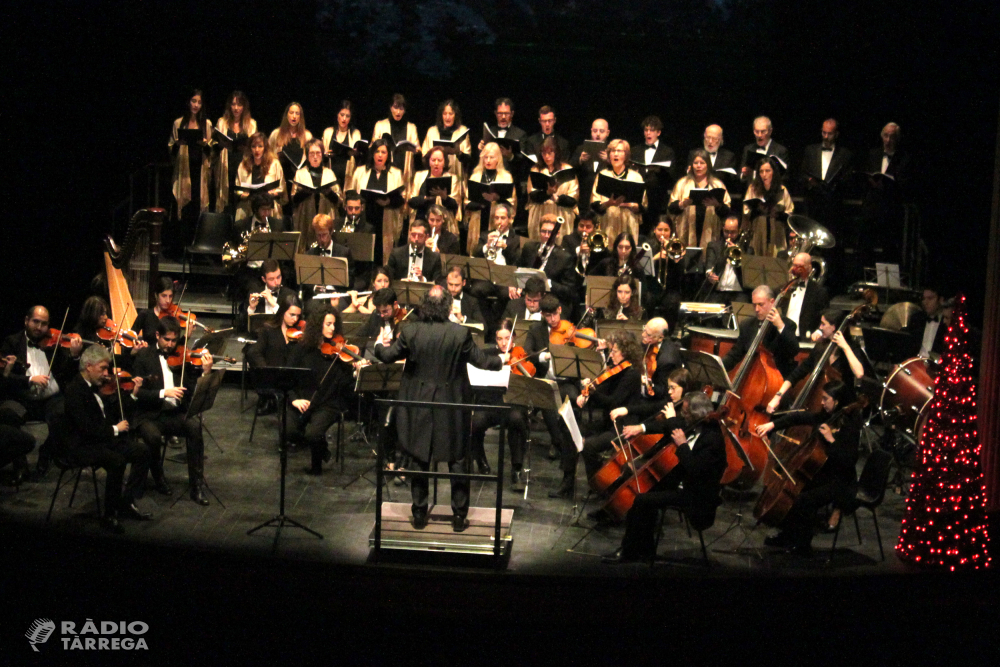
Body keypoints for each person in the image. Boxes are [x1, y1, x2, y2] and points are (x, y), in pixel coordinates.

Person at [373, 285, 506, 531]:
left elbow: (388, 355)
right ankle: (458, 515)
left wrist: (379, 345)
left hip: (418, 403)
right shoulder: (459, 333)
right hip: (451, 403)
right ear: (448, 306)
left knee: (419, 455)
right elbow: (481, 361)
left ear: (424, 305)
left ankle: (420, 513)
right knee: (457, 457)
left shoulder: (410, 331)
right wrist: (501, 360)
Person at [602, 392, 727, 563]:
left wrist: (682, 444)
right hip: (683, 483)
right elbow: (672, 426)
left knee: (642, 500)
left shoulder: (712, 439)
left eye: (686, 412)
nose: (683, 416)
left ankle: (629, 551)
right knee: (644, 490)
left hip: (697, 495)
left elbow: (695, 470)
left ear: (696, 414)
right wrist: (643, 427)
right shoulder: (697, 424)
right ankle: (645, 549)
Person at [757, 380, 861, 556]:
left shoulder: (850, 427)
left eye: (825, 399)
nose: (822, 402)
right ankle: (787, 535)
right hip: (823, 474)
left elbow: (848, 461)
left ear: (837, 401)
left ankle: (803, 544)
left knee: (804, 499)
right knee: (792, 491)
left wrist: (831, 440)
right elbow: (799, 417)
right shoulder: (828, 416)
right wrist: (773, 425)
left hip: (841, 480)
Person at [63, 345, 153, 532]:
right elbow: (87, 429)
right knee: (117, 461)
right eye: (102, 368)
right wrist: (114, 429)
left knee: (142, 451)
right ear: (88, 366)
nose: (107, 373)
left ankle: (126, 502)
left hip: (102, 439)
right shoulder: (75, 390)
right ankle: (109, 514)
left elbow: (111, 413)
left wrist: (133, 395)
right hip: (82, 445)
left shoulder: (97, 387)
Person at [131, 316, 213, 505]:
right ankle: (158, 477)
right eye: (166, 340)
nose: (170, 344)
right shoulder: (144, 356)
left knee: (194, 428)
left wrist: (205, 373)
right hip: (148, 414)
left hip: (173, 413)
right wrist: (163, 392)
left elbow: (191, 389)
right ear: (157, 336)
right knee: (152, 437)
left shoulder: (182, 356)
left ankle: (197, 486)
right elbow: (137, 392)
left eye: (174, 340)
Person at [0, 306, 83, 478]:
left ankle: (47, 454)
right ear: (26, 321)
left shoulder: (54, 344)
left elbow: (66, 374)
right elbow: (5, 378)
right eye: (35, 322)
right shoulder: (12, 342)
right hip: (22, 399)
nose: (39, 327)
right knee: (8, 414)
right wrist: (29, 380)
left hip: (50, 399)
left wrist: (74, 356)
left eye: (44, 324)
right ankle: (19, 464)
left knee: (65, 412)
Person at [286, 305, 355, 475]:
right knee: (289, 432)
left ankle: (316, 464)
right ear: (317, 326)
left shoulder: (338, 353)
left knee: (312, 434)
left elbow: (344, 385)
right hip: (302, 399)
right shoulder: (301, 349)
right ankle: (322, 447)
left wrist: (355, 371)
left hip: (328, 402)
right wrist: (294, 398)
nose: (332, 328)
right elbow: (287, 377)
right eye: (328, 324)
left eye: (334, 324)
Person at [572, 331, 643, 483]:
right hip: (608, 420)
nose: (611, 355)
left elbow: (612, 402)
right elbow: (603, 392)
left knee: (589, 446)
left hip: (622, 426)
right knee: (571, 430)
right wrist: (587, 394)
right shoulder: (617, 369)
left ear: (626, 352)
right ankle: (574, 478)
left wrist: (593, 392)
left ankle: (599, 483)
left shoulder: (632, 374)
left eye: (614, 351)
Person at [767, 309, 866, 414]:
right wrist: (778, 396)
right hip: (818, 407)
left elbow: (859, 373)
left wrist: (845, 347)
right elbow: (797, 374)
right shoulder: (820, 348)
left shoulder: (851, 348)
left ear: (833, 327)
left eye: (823, 324)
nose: (820, 327)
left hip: (843, 409)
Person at [469, 319, 530, 488]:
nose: (504, 343)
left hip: (511, 403)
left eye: (508, 338)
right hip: (489, 403)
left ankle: (517, 467)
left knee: (517, 419)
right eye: (500, 339)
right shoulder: (486, 355)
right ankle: (480, 459)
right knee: (476, 423)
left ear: (514, 337)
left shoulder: (520, 354)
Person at [721, 285, 800, 378]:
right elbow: (735, 354)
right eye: (754, 305)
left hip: (775, 379)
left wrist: (780, 326)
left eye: (761, 304)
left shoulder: (787, 324)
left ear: (772, 302)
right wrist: (719, 367)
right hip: (750, 377)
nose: (757, 309)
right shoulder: (747, 325)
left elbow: (793, 351)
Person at [169, 89, 213, 251]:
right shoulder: (179, 123)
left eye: (199, 102)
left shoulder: (206, 124)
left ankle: (196, 248)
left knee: (197, 209)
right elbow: (171, 149)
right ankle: (181, 249)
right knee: (183, 211)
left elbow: (212, 152)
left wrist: (205, 145)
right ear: (188, 102)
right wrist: (177, 145)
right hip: (184, 173)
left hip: (199, 173)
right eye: (193, 101)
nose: (196, 105)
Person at [349, 137, 406, 264]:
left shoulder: (396, 173)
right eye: (377, 151)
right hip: (366, 216)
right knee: (365, 252)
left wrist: (388, 202)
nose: (380, 155)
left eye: (383, 152)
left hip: (386, 218)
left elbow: (402, 199)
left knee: (383, 253)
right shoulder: (360, 171)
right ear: (372, 153)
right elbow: (352, 193)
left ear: (388, 155)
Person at [861, 122, 911, 262]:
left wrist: (887, 184)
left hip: (890, 209)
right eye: (886, 136)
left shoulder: (904, 158)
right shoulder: (873, 154)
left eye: (892, 137)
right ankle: (866, 277)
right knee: (866, 245)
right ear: (882, 136)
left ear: (897, 139)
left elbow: (904, 183)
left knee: (889, 248)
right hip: (871, 207)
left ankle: (888, 281)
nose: (888, 140)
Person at [517, 214, 580, 319]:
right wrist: (515, 285)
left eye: (550, 232)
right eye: (543, 231)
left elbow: (569, 291)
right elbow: (519, 268)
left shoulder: (565, 257)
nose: (546, 235)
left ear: (557, 234)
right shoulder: (529, 248)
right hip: (529, 295)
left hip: (551, 299)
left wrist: (549, 283)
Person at [668, 149, 732, 251]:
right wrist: (682, 204)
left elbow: (727, 211)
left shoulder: (717, 184)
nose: (699, 166)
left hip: (709, 228)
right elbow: (671, 207)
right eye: (696, 163)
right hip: (687, 229)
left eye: (702, 163)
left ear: (708, 165)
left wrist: (717, 205)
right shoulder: (683, 183)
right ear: (691, 165)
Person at [799, 119, 853, 234]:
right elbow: (802, 174)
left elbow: (847, 179)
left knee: (831, 240)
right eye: (824, 132)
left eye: (830, 133)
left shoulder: (844, 154)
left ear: (837, 134)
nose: (826, 136)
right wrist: (810, 181)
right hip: (813, 203)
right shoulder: (810, 150)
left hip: (833, 205)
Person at [464, 142, 517, 256]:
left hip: (496, 219)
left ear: (498, 159)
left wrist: (497, 198)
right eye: (485, 157)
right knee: (476, 252)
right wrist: (482, 202)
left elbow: (511, 203)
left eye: (491, 157)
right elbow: (467, 202)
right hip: (478, 219)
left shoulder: (506, 177)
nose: (488, 160)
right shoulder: (475, 176)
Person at [591, 139, 646, 241]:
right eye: (613, 151)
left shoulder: (636, 177)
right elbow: (595, 205)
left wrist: (627, 205)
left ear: (626, 155)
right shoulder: (602, 175)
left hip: (628, 224)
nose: (616, 154)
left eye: (620, 151)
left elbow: (643, 206)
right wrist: (609, 203)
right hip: (607, 224)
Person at [291, 139, 341, 250]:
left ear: (322, 155)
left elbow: (338, 200)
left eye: (318, 153)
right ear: (307, 156)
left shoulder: (329, 173)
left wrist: (328, 193)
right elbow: (293, 199)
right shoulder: (300, 174)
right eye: (311, 153)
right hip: (306, 217)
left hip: (325, 213)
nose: (315, 157)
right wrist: (304, 193)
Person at [526, 137, 579, 243]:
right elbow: (532, 194)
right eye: (544, 153)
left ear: (557, 153)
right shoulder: (536, 170)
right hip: (540, 212)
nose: (547, 156)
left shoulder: (567, 169)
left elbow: (573, 198)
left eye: (550, 153)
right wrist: (547, 193)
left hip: (561, 213)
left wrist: (557, 198)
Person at [213, 90, 257, 215]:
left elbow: (256, 148)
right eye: (233, 104)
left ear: (244, 107)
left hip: (243, 167)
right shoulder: (222, 123)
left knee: (241, 207)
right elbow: (214, 147)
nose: (236, 108)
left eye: (239, 105)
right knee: (226, 206)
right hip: (226, 167)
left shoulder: (251, 124)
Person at [743, 156, 794, 257]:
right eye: (761, 171)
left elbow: (789, 212)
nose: (764, 175)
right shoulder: (753, 189)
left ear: (773, 172)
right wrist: (758, 209)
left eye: (767, 171)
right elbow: (746, 211)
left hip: (776, 233)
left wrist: (778, 214)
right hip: (758, 232)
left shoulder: (781, 189)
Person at [634, 116, 677, 232]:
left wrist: (659, 171)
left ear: (658, 132)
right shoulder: (635, 150)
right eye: (646, 130)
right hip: (639, 201)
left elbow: (672, 176)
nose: (648, 133)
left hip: (658, 200)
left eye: (652, 130)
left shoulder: (667, 151)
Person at [701, 216, 753, 306]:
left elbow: (747, 273)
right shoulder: (714, 246)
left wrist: (736, 253)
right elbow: (710, 264)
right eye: (726, 231)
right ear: (723, 229)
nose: (729, 235)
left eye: (733, 232)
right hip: (718, 291)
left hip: (739, 293)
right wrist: (709, 273)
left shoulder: (747, 250)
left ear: (739, 231)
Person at [235, 132, 285, 221]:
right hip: (248, 206)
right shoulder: (243, 165)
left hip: (268, 207)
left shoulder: (274, 164)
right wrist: (244, 195)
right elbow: (238, 188)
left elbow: (281, 188)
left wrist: (272, 193)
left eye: (260, 146)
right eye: (253, 146)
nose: (257, 150)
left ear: (265, 148)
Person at [372, 94, 421, 185]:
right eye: (395, 107)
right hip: (385, 171)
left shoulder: (411, 127)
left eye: (401, 108)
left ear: (405, 110)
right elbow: (373, 147)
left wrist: (415, 150)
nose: (398, 112)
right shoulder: (380, 125)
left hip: (405, 171)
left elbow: (418, 148)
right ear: (390, 108)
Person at [421, 99, 472, 183]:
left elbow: (468, 160)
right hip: (435, 177)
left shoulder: (462, 131)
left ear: (456, 115)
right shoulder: (432, 131)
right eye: (445, 114)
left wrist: (458, 152)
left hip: (457, 178)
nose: (447, 117)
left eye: (450, 114)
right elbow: (424, 157)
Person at [247, 294, 303, 369]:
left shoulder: (300, 332)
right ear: (283, 312)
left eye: (298, 315)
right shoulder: (268, 330)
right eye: (292, 315)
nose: (295, 319)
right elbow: (254, 352)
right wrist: (265, 370)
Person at [408, 146, 462, 223]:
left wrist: (444, 197)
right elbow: (411, 201)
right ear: (429, 162)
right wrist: (426, 198)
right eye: (433, 160)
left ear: (444, 162)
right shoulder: (419, 175)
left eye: (439, 160)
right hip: (422, 220)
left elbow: (455, 205)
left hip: (443, 221)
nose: (436, 163)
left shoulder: (452, 178)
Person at [269, 101, 313, 193]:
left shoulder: (307, 136)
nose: (294, 116)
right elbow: (268, 156)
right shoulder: (276, 134)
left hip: (300, 180)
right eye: (291, 113)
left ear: (300, 117)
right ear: (286, 115)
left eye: (297, 113)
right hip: (282, 177)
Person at [784, 252, 830, 340]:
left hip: (804, 338)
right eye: (794, 265)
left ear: (809, 268)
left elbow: (825, 315)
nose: (796, 270)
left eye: (800, 267)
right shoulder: (783, 289)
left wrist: (819, 331)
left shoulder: (819, 292)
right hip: (784, 336)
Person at [478, 97, 527, 172]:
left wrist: (510, 157)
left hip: (511, 177)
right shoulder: (490, 131)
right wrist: (481, 150)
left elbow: (523, 163)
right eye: (500, 113)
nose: (503, 117)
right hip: (490, 176)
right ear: (495, 113)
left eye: (506, 113)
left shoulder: (520, 134)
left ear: (512, 114)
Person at [572, 118, 611, 211]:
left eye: (601, 131)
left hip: (603, 199)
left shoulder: (612, 151)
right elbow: (569, 168)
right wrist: (580, 160)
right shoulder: (581, 149)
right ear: (591, 131)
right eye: (595, 131)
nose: (598, 134)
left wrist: (609, 160)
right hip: (584, 197)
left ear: (607, 133)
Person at [322, 100, 363, 188]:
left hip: (348, 178)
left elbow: (360, 158)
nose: (344, 119)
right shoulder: (328, 132)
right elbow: (322, 157)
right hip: (331, 177)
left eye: (347, 116)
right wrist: (326, 154)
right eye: (342, 115)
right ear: (337, 115)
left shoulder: (355, 134)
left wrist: (355, 153)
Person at [739, 116, 790, 182]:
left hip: (772, 191)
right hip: (752, 190)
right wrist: (744, 174)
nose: (759, 135)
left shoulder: (780, 151)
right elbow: (740, 177)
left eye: (763, 131)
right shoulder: (748, 149)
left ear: (770, 131)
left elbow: (785, 177)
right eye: (756, 131)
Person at [689, 124, 738, 191]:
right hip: (698, 190)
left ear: (720, 139)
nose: (710, 141)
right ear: (704, 136)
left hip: (720, 191)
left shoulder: (728, 156)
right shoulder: (694, 154)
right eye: (708, 137)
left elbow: (733, 180)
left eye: (714, 138)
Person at [906, 286, 948, 360]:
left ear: (941, 300)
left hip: (934, 367)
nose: (925, 302)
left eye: (930, 298)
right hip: (915, 363)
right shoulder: (916, 318)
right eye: (924, 298)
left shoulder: (947, 322)